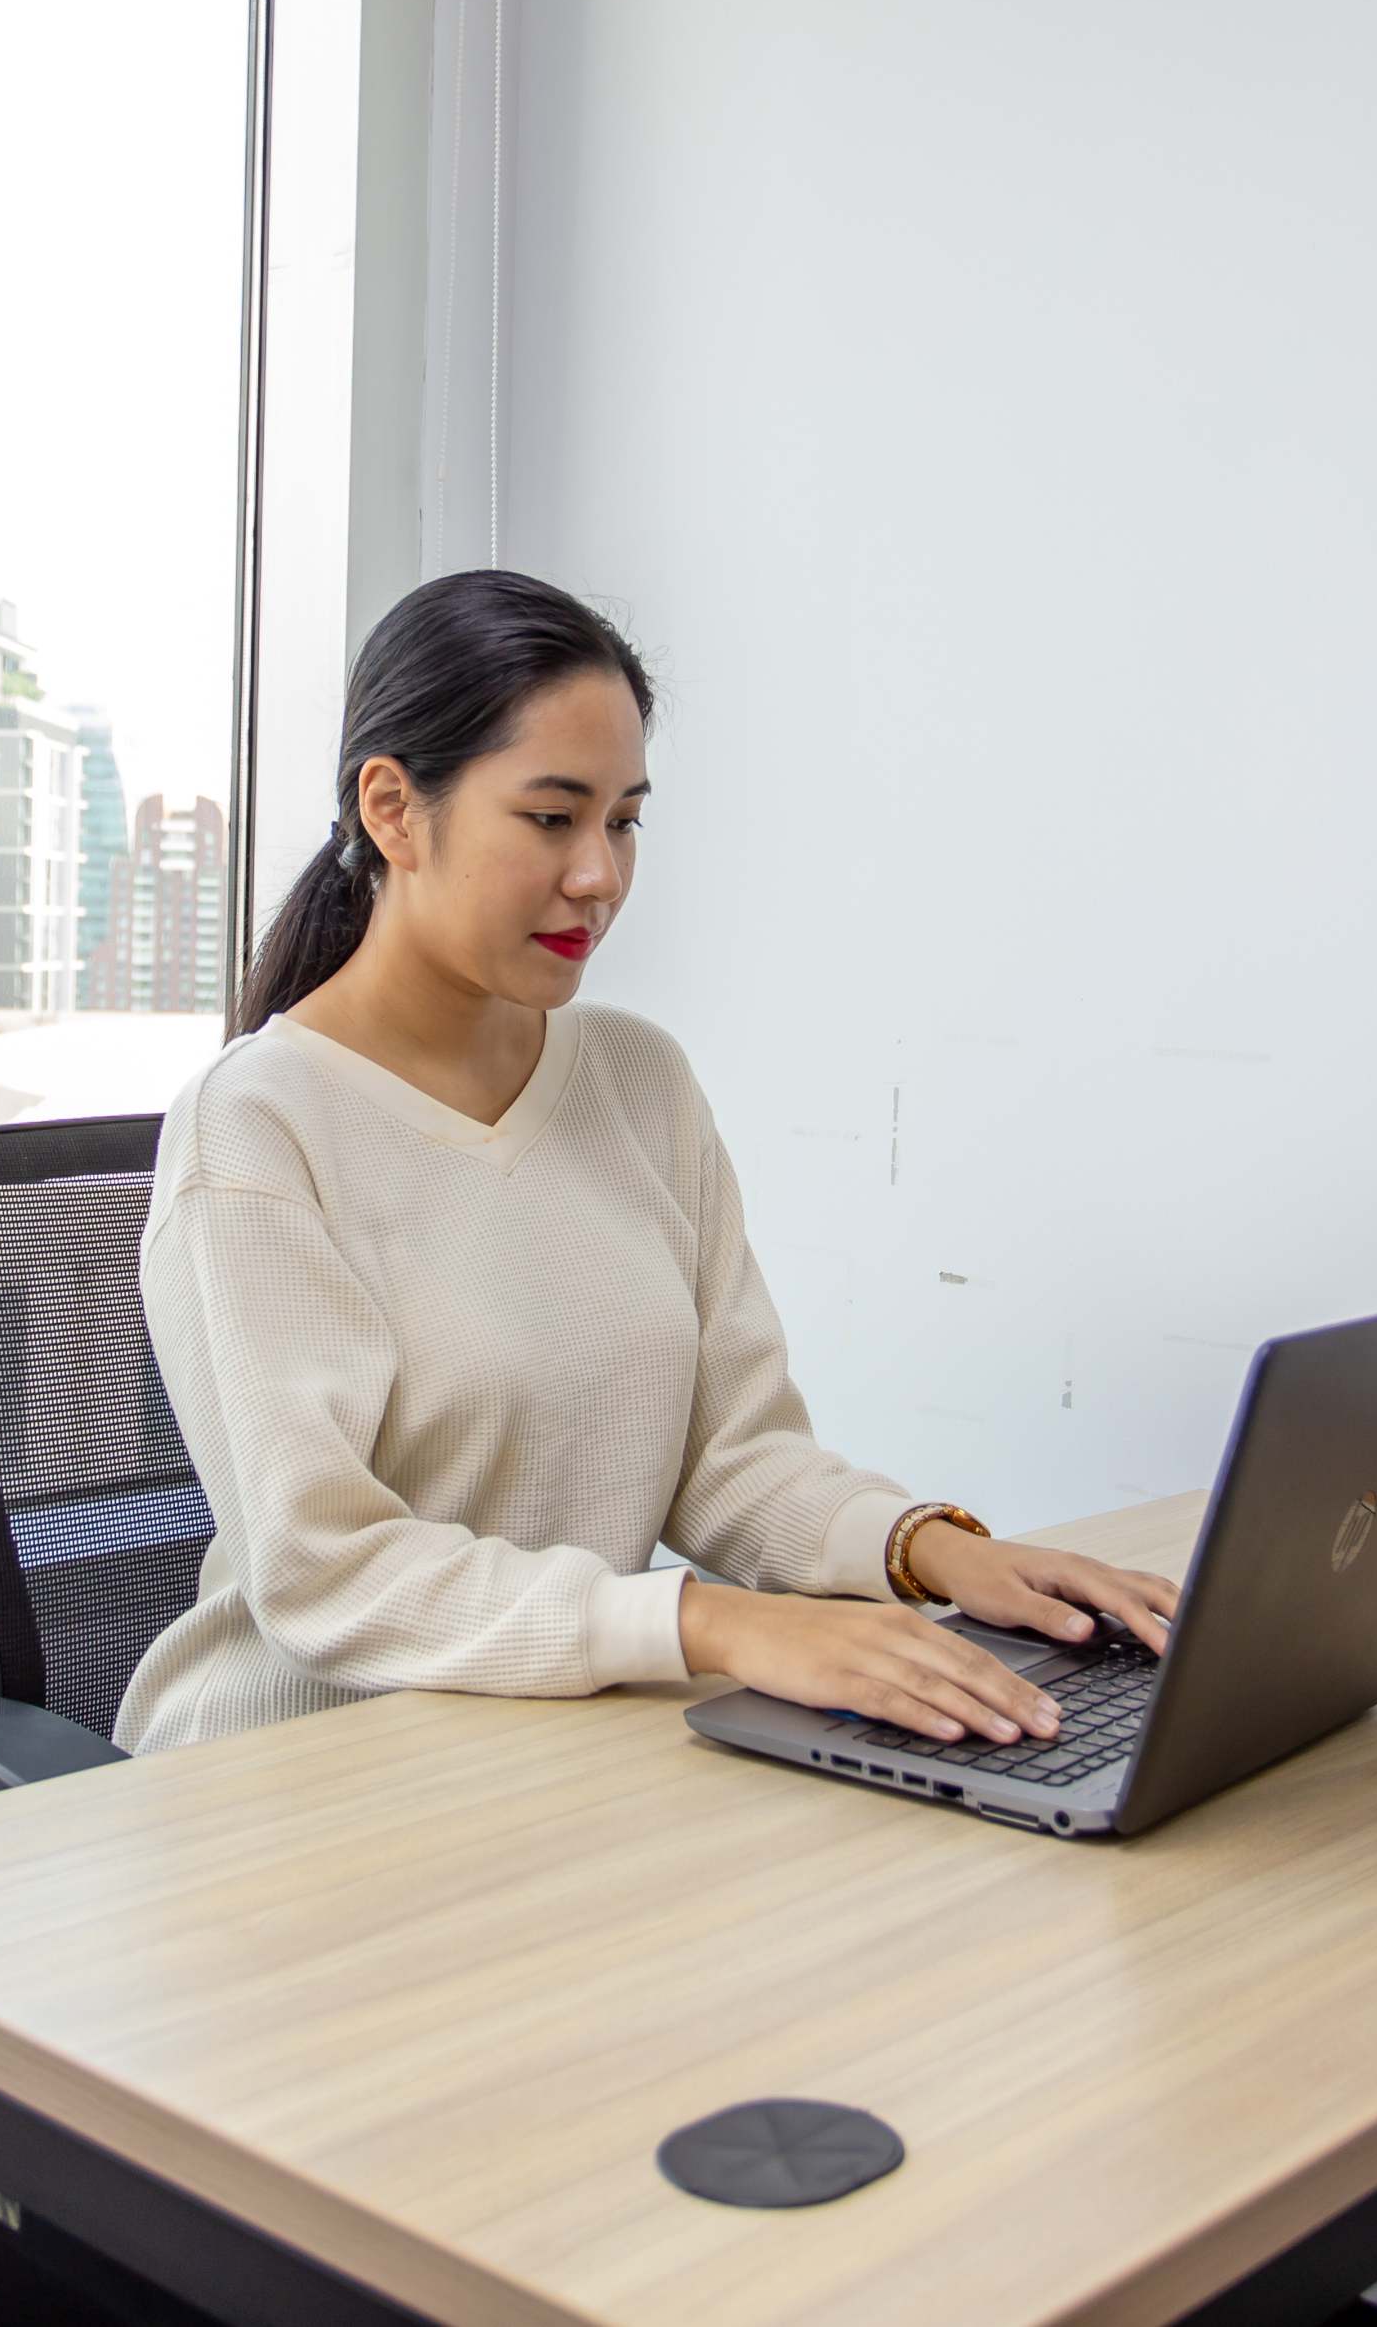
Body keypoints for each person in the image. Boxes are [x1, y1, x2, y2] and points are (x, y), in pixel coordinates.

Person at [113, 568, 1180, 1757]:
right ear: (394, 809)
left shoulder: (637, 1080)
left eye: (623, 820)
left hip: (546, 1755)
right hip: (293, 1775)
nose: (599, 877)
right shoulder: (254, 1126)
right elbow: (322, 1570)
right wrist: (712, 1623)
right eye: (550, 817)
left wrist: (944, 1555)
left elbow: (729, 1458)